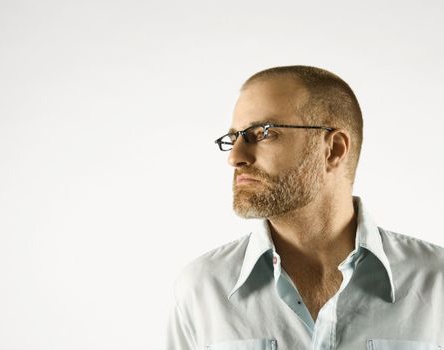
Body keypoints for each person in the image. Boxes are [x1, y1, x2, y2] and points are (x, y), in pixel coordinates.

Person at [166, 66, 444, 350]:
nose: (236, 157)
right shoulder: (202, 289)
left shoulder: (437, 283)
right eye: (234, 137)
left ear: (333, 149)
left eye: (262, 133)